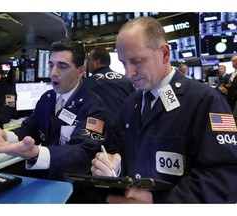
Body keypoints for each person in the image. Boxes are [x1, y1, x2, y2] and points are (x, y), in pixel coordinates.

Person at [91, 17, 237, 203]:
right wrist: (114, 163)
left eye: (137, 61)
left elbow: (225, 178)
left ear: (165, 54)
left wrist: (159, 201)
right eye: (124, 63)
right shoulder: (130, 103)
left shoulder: (206, 101)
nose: (129, 73)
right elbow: (118, 147)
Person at [0, 39, 108, 182]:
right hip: (47, 178)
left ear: (80, 71)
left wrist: (37, 153)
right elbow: (29, 130)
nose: (53, 73)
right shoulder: (47, 98)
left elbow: (84, 153)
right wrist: (4, 135)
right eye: (51, 65)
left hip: (74, 185)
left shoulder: (93, 106)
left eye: (62, 66)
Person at [83, 47, 136, 134]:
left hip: (104, 134)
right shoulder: (126, 80)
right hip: (127, 132)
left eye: (89, 60)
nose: (87, 63)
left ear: (97, 62)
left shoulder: (88, 83)